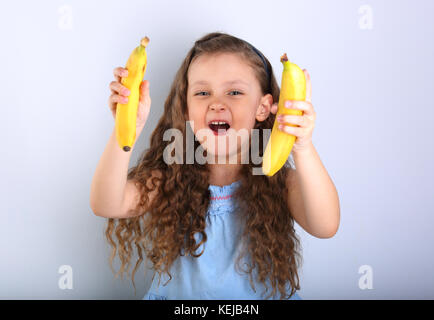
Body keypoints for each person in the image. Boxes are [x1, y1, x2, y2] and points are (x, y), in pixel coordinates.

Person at [90, 31, 340, 300]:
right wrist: (125, 130)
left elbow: (325, 226)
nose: (217, 103)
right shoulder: (169, 177)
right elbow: (107, 203)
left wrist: (302, 146)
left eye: (234, 92)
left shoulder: (281, 181)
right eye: (202, 92)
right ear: (186, 109)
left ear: (263, 107)